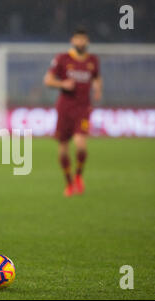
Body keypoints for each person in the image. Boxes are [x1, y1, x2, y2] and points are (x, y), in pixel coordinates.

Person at [44, 27, 103, 197]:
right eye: (77, 39)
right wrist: (62, 84)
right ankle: (69, 182)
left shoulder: (93, 60)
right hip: (65, 108)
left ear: (87, 41)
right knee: (63, 148)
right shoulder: (62, 59)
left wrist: (98, 89)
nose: (80, 42)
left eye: (83, 39)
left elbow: (97, 77)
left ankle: (78, 176)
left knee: (80, 144)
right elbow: (47, 80)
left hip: (83, 109)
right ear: (72, 40)